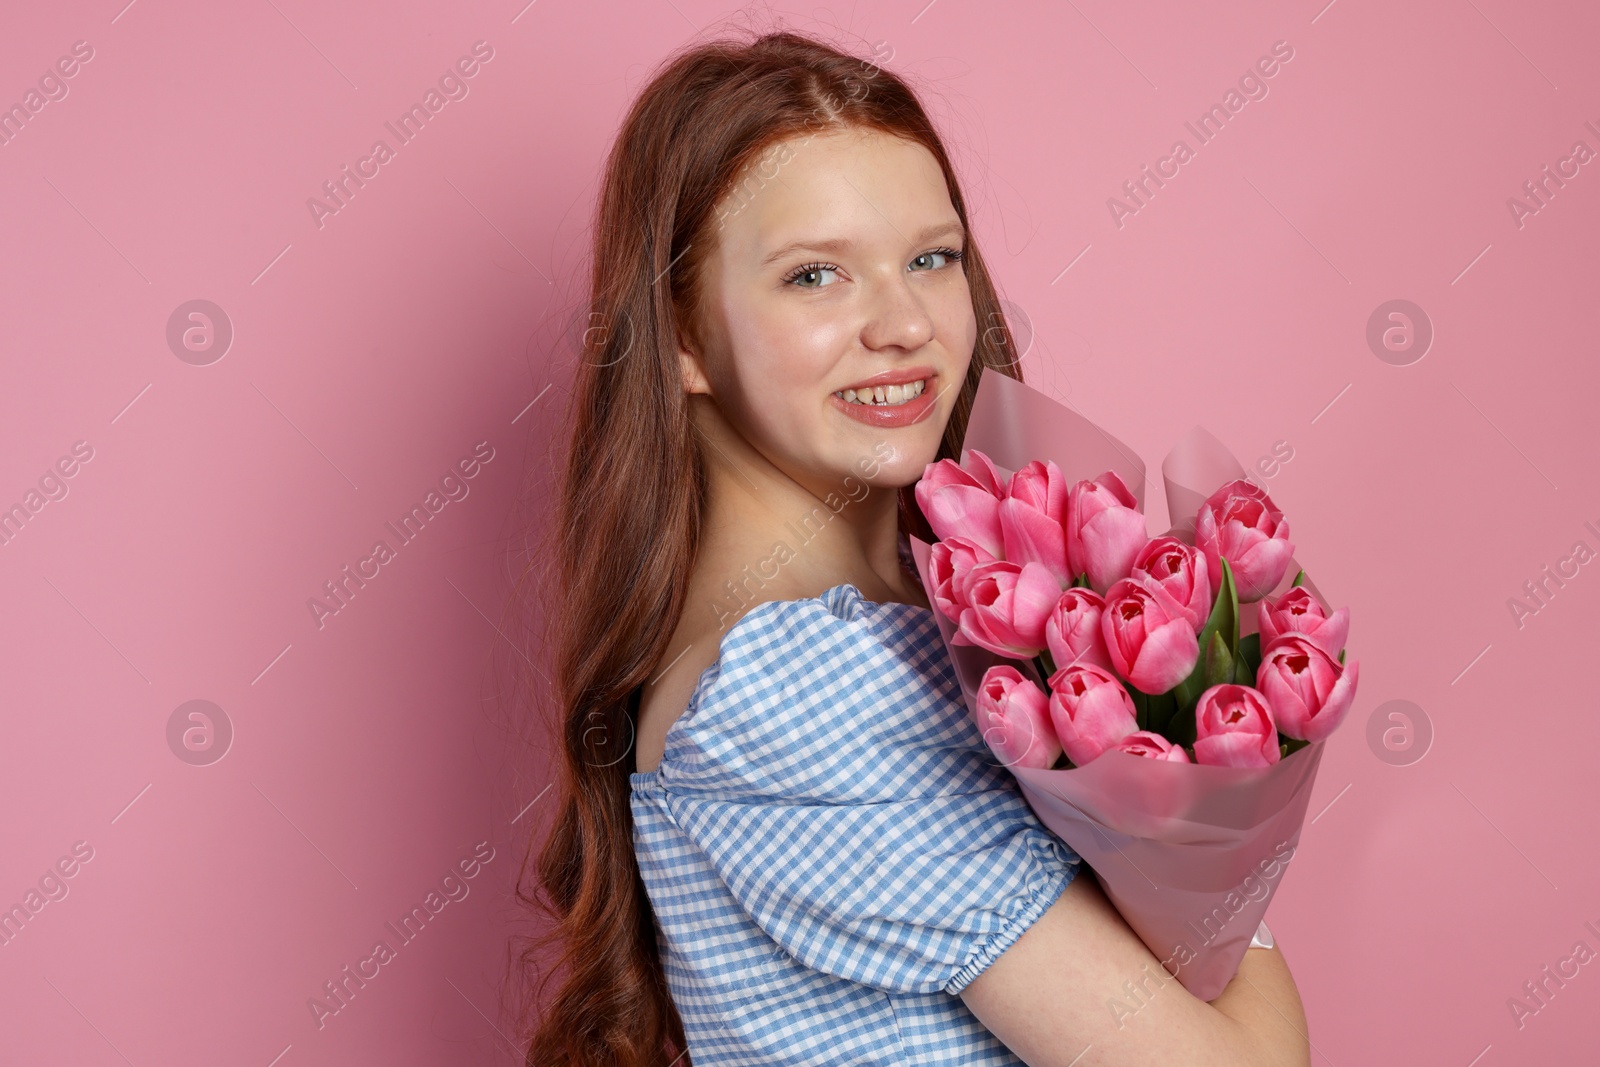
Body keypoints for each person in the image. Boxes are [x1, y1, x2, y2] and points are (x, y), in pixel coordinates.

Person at [518, 25, 1313, 1067]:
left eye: (930, 258)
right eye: (814, 276)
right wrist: (1217, 821)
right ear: (680, 338)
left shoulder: (904, 631)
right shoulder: (801, 688)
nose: (903, 324)